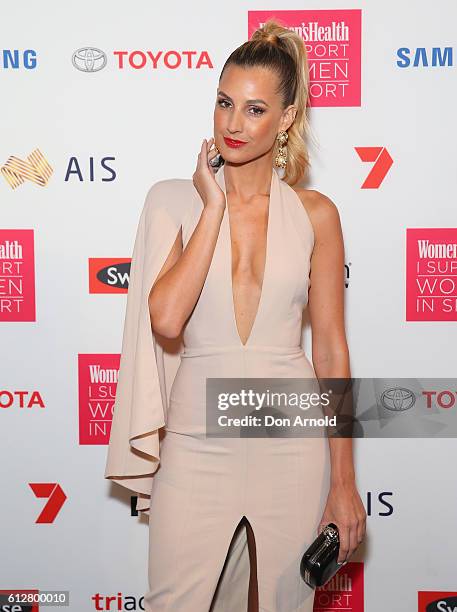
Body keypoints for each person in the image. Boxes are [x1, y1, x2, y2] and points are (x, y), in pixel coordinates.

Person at [105, 18, 366, 612]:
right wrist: (213, 204)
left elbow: (330, 349)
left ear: (288, 118)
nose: (232, 123)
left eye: (253, 109)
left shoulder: (317, 214)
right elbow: (166, 320)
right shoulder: (173, 198)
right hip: (197, 441)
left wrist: (344, 481)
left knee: (285, 603)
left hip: (292, 443)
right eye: (225, 103)